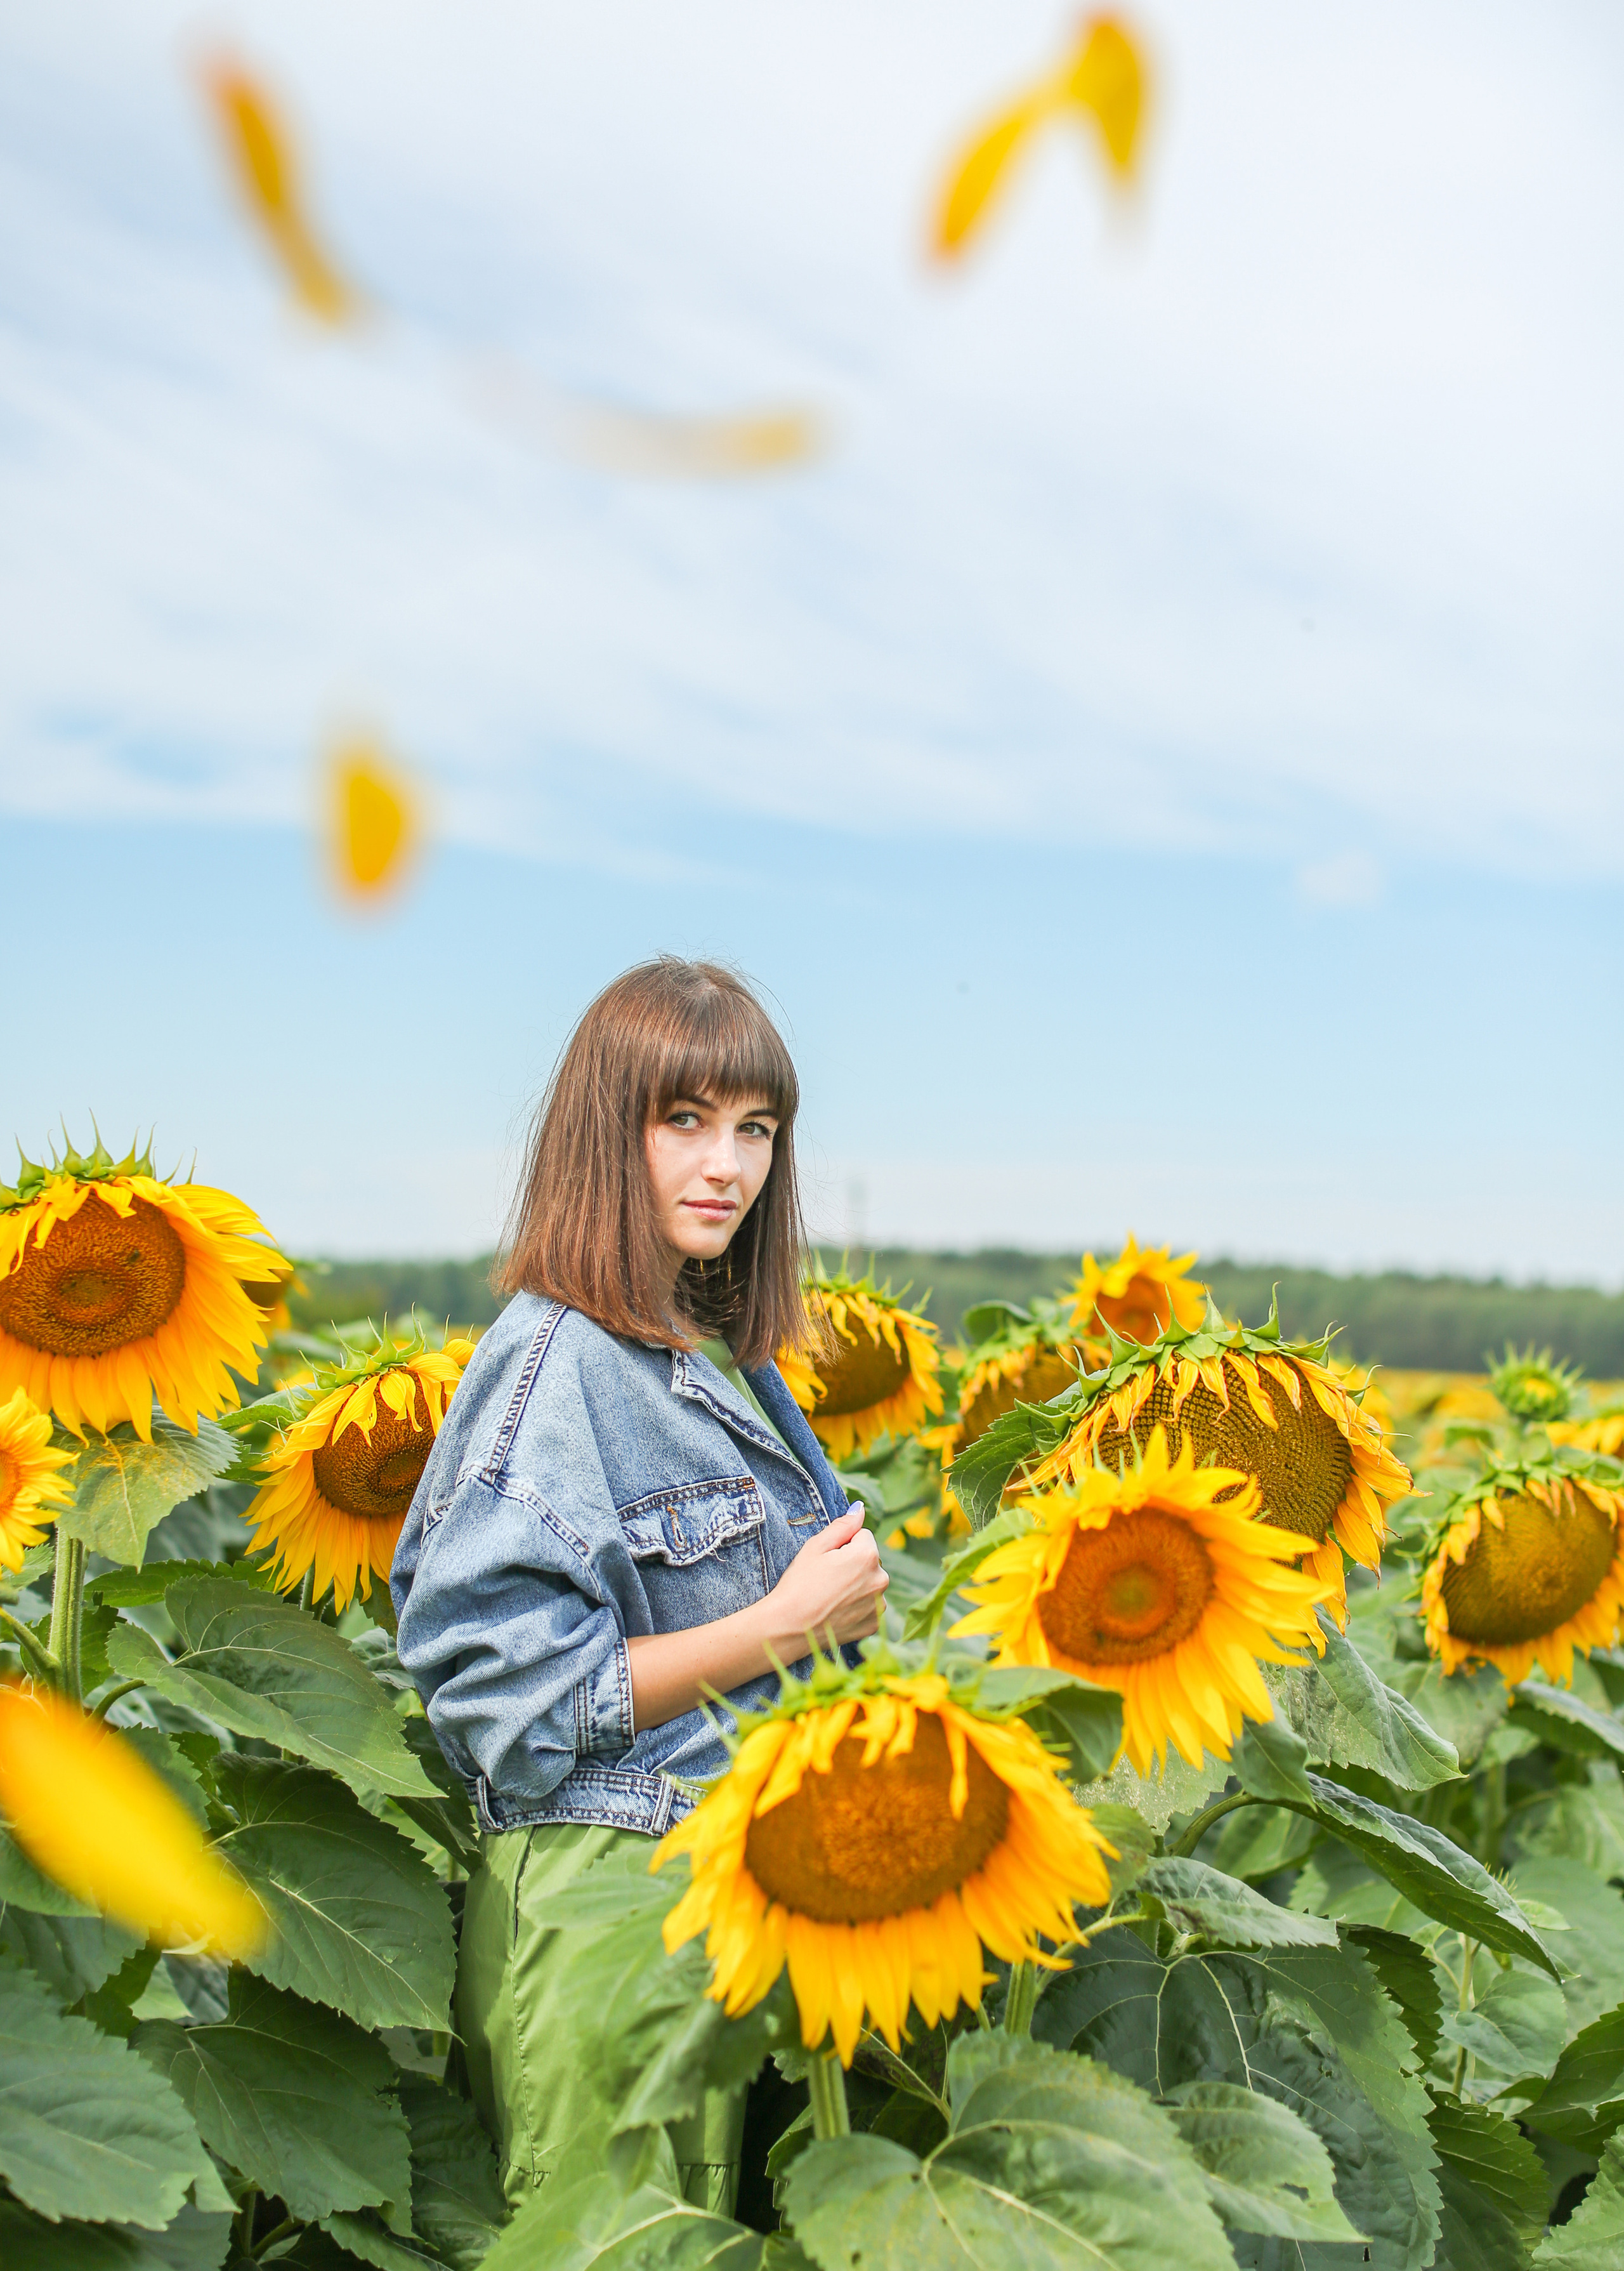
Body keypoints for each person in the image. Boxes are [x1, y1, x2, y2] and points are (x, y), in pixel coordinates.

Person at [392, 957, 889, 2213]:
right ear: (604, 1133)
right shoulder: (555, 1365)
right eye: (685, 1119)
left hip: (708, 1899)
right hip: (605, 1914)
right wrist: (785, 1625)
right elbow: (507, 1701)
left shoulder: (708, 1352)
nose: (727, 1165)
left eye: (755, 1128)